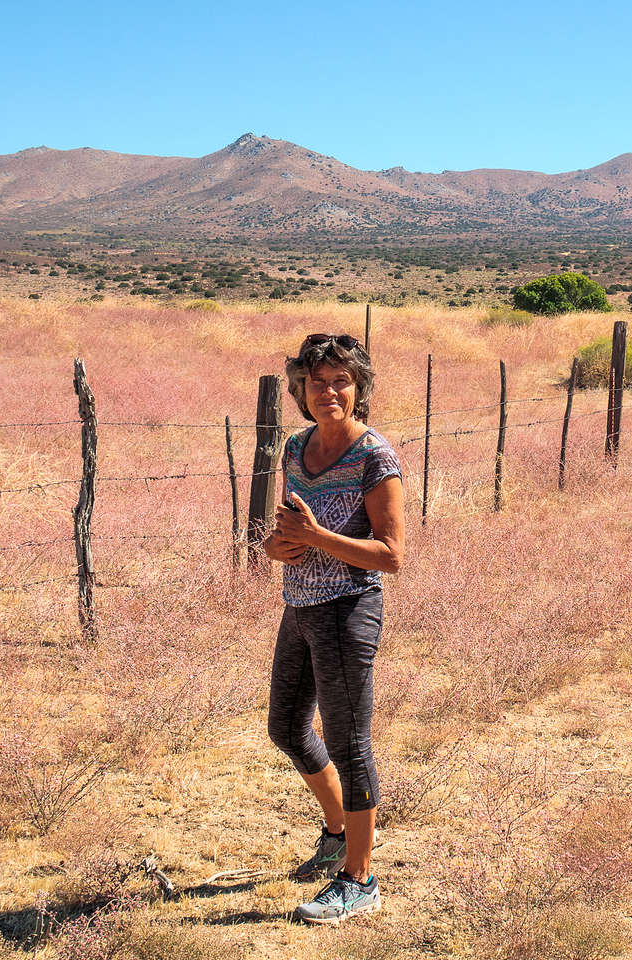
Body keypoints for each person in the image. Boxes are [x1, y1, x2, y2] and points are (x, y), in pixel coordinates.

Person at [263, 332, 404, 926]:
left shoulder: (375, 457)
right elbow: (283, 532)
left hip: (349, 610)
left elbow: (391, 555)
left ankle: (360, 879)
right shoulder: (296, 449)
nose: (328, 392)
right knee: (287, 728)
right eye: (316, 382)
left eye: (340, 380)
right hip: (299, 605)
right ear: (300, 390)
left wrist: (317, 538)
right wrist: (278, 547)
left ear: (358, 387)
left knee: (349, 744)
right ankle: (337, 832)